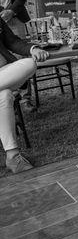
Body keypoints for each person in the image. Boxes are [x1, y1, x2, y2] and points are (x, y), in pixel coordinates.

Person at [0, 17, 49, 173]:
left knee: (29, 63)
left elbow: (12, 42)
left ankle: (13, 158)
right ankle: (13, 156)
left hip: (3, 74)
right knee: (5, 95)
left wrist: (33, 49)